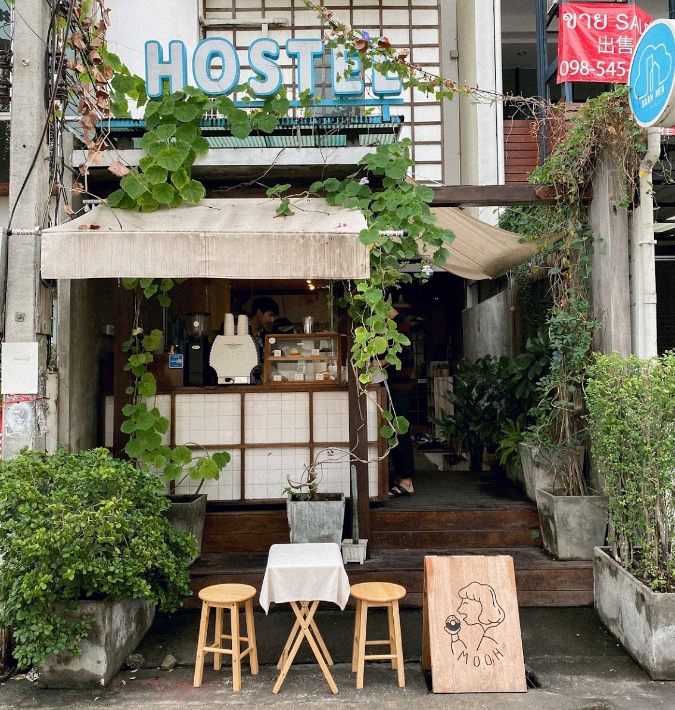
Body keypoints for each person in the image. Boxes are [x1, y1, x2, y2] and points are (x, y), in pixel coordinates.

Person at [386, 308, 416, 497]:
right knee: (395, 432)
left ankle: (407, 481)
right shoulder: (396, 324)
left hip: (399, 387)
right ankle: (400, 476)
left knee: (400, 432)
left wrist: (382, 362)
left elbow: (401, 352)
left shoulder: (401, 324)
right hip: (396, 387)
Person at [248, 296, 279, 381]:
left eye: (274, 316)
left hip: (260, 381)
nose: (272, 320)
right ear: (259, 312)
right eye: (270, 315)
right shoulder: (239, 331)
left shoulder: (265, 336)